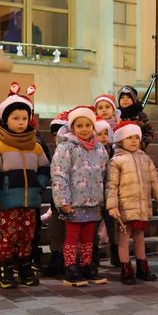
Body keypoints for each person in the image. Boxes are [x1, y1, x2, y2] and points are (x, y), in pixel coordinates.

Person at [0, 83, 50, 288]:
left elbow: (44, 168)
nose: (21, 122)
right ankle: (5, 271)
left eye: (24, 118)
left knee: (27, 236)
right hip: (8, 200)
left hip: (30, 201)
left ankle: (25, 269)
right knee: (9, 236)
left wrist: (38, 184)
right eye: (15, 118)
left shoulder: (35, 145)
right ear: (5, 120)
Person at [51, 106, 109, 284]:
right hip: (74, 202)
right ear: (72, 128)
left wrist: (103, 198)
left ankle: (86, 265)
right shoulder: (66, 147)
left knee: (88, 237)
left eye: (88, 125)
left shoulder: (99, 149)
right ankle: (70, 266)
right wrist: (63, 201)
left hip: (92, 202)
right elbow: (59, 174)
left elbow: (104, 174)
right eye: (79, 126)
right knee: (72, 237)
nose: (84, 129)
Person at [106, 121, 158, 284]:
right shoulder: (116, 161)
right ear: (120, 140)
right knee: (124, 238)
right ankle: (126, 269)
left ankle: (142, 267)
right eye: (129, 138)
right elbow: (111, 185)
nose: (134, 141)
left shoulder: (145, 159)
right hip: (125, 208)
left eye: (136, 137)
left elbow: (155, 181)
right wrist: (112, 205)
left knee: (140, 237)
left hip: (141, 206)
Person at [44, 110, 70, 277]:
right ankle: (56, 258)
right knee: (56, 231)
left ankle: (69, 260)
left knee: (70, 232)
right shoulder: (56, 152)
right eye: (54, 134)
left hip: (73, 201)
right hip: (56, 202)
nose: (57, 137)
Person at [93, 116, 117, 268]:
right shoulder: (92, 151)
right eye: (99, 134)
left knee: (112, 227)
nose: (103, 137)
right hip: (95, 194)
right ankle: (93, 257)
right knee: (94, 227)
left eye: (105, 134)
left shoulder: (114, 152)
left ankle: (116, 255)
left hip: (109, 194)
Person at [116, 85, 154, 151]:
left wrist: (141, 145)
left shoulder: (140, 115)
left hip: (136, 149)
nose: (125, 99)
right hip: (120, 149)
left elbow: (149, 132)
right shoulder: (116, 114)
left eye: (128, 97)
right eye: (122, 97)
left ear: (134, 100)